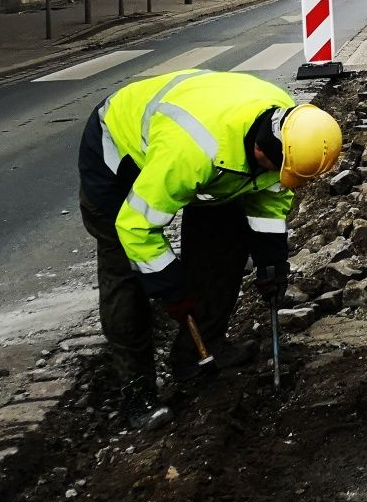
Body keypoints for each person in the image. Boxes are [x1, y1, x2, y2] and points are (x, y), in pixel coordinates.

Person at [76, 69, 342, 412]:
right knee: (126, 275)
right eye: (276, 171)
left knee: (225, 247)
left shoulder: (293, 131)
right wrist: (169, 285)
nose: (279, 179)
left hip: (214, 160)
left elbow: (269, 198)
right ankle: (136, 389)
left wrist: (271, 260)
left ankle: (201, 349)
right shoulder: (192, 150)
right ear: (261, 150)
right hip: (118, 154)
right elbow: (136, 227)